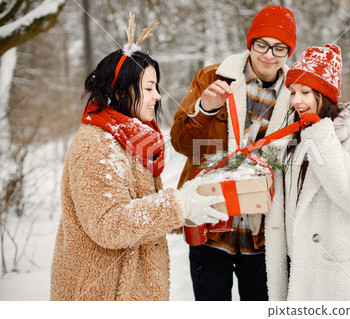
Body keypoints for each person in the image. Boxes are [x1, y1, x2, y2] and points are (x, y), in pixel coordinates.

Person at [50, 16, 227, 301]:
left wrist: (188, 210)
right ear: (119, 90)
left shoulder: (133, 139)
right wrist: (177, 205)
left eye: (156, 87)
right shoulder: (97, 144)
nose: (158, 96)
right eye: (148, 88)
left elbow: (141, 212)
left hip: (135, 290)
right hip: (102, 294)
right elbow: (109, 224)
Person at [170, 5, 297, 301]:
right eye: (262, 44)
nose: (269, 55)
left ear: (288, 52)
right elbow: (180, 143)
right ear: (249, 43)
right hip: (212, 226)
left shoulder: (295, 93)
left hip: (264, 234)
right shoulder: (214, 77)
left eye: (279, 48)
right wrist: (206, 109)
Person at [265, 44, 350, 300]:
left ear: (325, 94)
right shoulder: (294, 136)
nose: (296, 100)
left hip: (334, 275)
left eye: (305, 92)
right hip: (295, 267)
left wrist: (322, 137)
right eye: (293, 91)